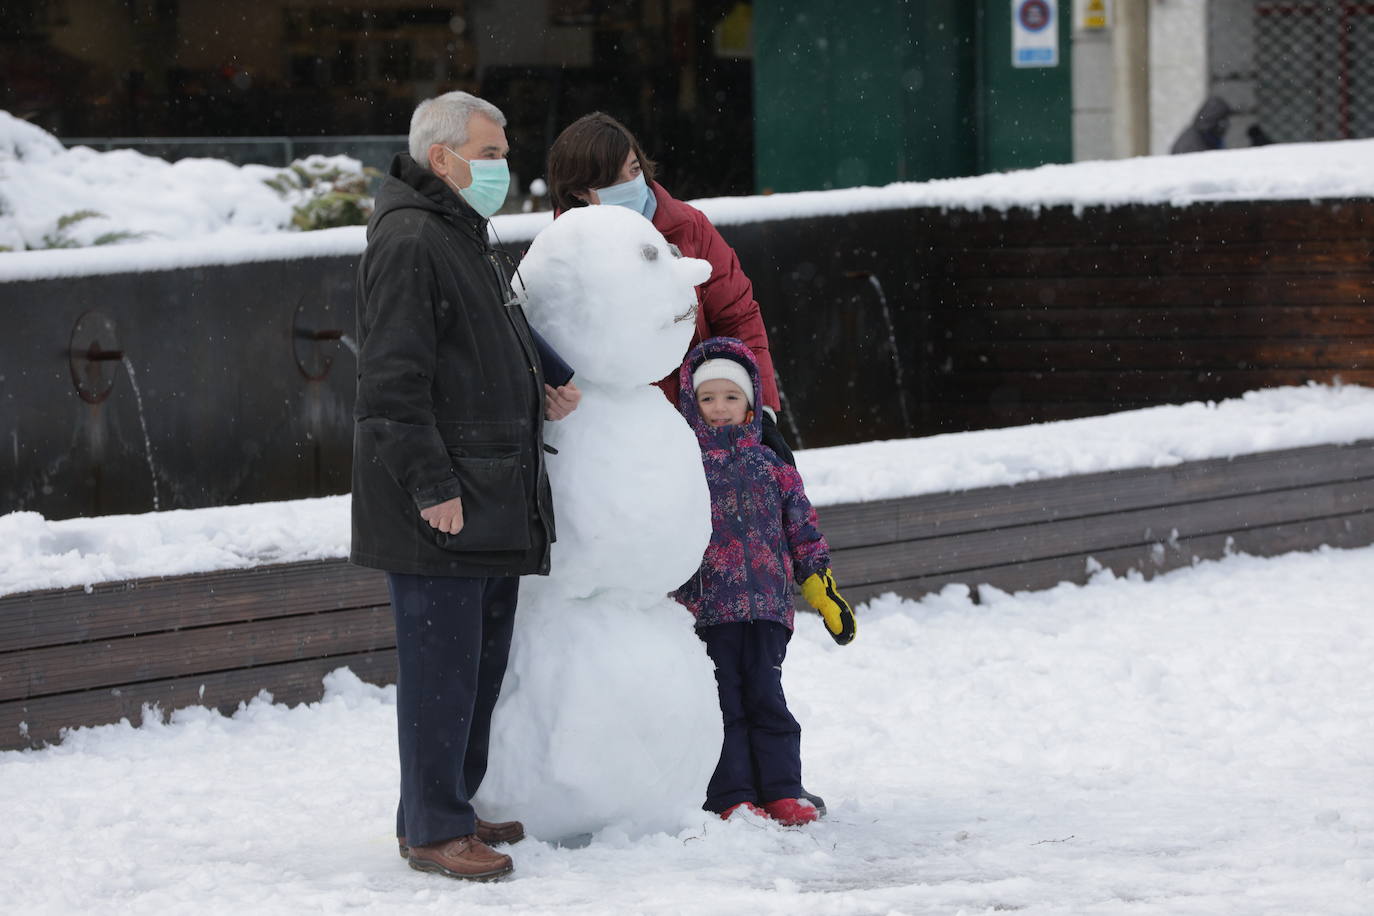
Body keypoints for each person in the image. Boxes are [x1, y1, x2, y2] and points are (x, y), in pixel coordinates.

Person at [351, 90, 580, 882]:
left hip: (486, 490)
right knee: (441, 672)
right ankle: (433, 830)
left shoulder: (458, 230)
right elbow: (390, 381)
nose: (502, 166)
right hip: (444, 499)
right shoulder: (413, 238)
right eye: (488, 153)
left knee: (476, 667)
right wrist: (429, 484)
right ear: (441, 158)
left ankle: (447, 803)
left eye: (503, 151)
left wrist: (544, 374)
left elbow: (495, 320)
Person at [671, 336, 856, 825]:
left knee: (768, 701)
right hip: (707, 610)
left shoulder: (773, 465)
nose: (720, 408)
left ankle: (783, 789)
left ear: (751, 400)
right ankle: (732, 793)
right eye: (708, 398)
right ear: (692, 402)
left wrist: (821, 588)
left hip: (768, 610)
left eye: (731, 397)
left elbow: (803, 531)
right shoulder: (683, 467)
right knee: (723, 705)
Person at [545, 112, 797, 466]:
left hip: (704, 427)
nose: (633, 183)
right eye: (614, 180)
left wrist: (760, 406)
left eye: (634, 169)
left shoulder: (688, 227)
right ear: (579, 192)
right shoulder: (559, 255)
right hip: (613, 442)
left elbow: (738, 316)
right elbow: (550, 348)